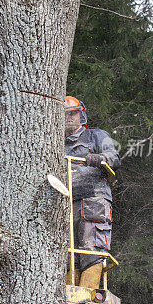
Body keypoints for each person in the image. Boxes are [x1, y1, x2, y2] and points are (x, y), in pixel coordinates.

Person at [64, 96, 121, 289]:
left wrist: (99, 158)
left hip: (93, 199)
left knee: (92, 250)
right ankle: (69, 293)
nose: (71, 118)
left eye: (74, 113)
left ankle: (87, 293)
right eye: (67, 114)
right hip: (65, 201)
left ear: (81, 114)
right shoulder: (53, 143)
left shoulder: (96, 136)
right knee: (68, 256)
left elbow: (114, 158)